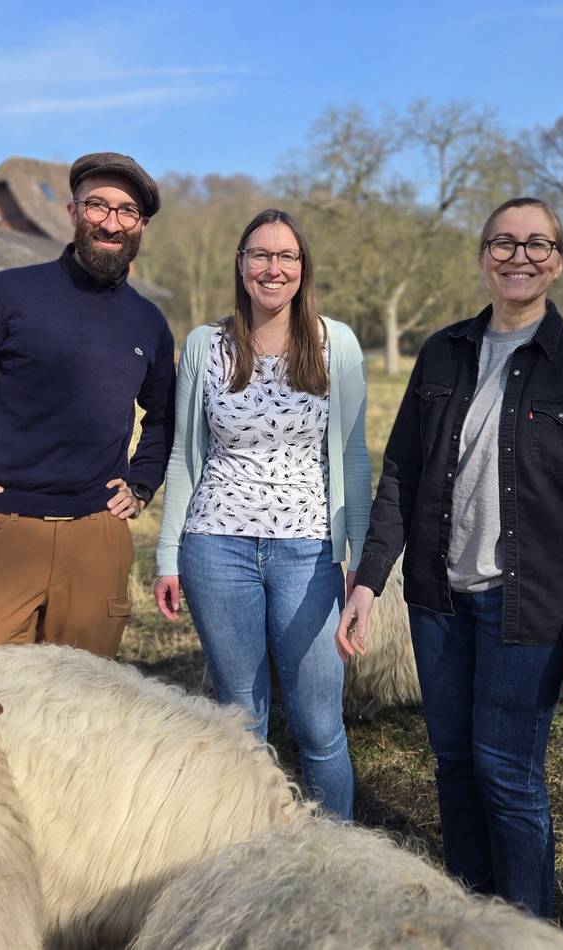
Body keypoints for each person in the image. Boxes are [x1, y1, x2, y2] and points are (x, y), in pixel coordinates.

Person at [336, 197, 563, 915]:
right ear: (483, 256)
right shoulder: (442, 352)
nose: (519, 257)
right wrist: (370, 580)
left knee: (507, 773)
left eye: (537, 245)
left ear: (558, 262)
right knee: (452, 762)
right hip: (439, 597)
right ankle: (469, 914)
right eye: (503, 243)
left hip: (528, 603)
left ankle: (526, 926)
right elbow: (402, 472)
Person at [0, 152, 175, 657]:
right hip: (1, 531)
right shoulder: (11, 294)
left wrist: (141, 485)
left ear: (141, 225)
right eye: (97, 205)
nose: (111, 222)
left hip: (98, 537)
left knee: (83, 691)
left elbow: (163, 418)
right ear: (72, 212)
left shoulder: (148, 322)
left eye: (127, 211)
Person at [153, 209, 371, 819]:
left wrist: (358, 557)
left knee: (318, 724)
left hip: (309, 549)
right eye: (260, 255)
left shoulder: (336, 342)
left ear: (302, 268)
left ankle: (339, 855)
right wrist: (167, 554)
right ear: (241, 265)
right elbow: (184, 456)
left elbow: (353, 454)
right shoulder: (205, 345)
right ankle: (250, 847)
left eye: (286, 256)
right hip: (215, 546)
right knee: (242, 720)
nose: (273, 268)